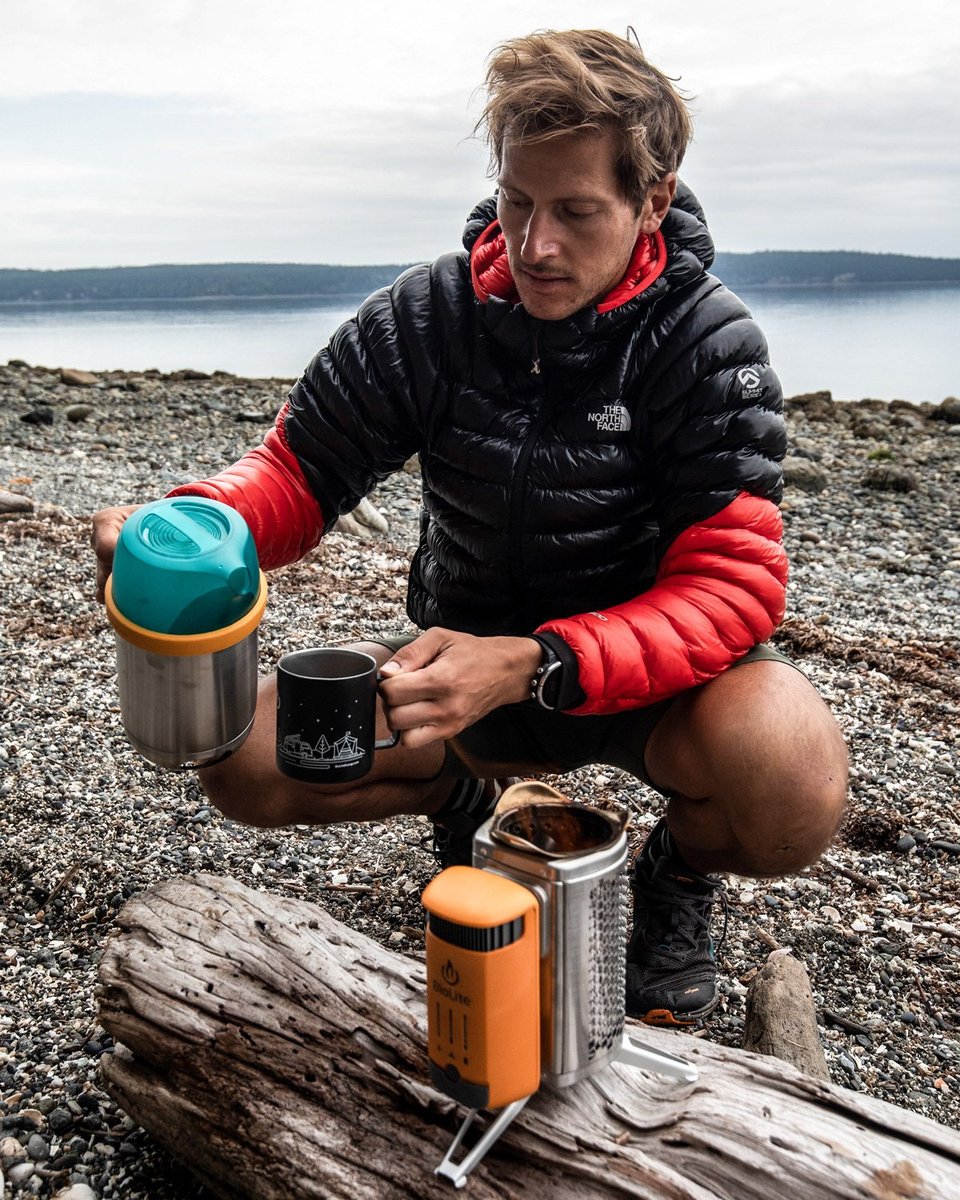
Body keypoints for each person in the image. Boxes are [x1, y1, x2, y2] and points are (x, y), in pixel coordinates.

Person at [92, 29, 848, 1027]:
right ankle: (465, 809)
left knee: (793, 774)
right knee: (247, 763)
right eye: (518, 202)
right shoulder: (429, 318)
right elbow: (296, 473)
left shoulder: (707, 345)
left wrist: (537, 660)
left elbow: (732, 589)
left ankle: (674, 871)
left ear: (652, 200)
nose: (535, 245)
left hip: (651, 691)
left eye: (576, 211)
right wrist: (186, 527)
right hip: (452, 677)